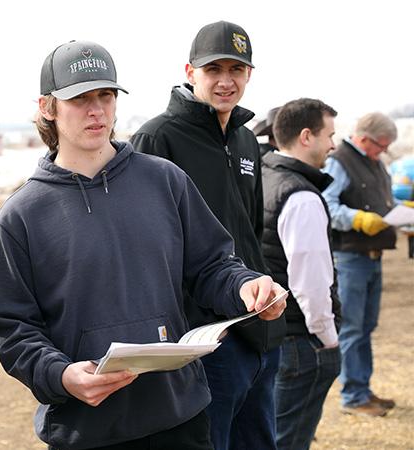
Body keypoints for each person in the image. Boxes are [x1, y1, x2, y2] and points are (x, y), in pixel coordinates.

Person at [0, 40, 286, 450]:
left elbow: (212, 266)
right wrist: (61, 375)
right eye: (80, 98)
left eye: (105, 95)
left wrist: (244, 286)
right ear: (47, 107)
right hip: (87, 429)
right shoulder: (21, 215)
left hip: (181, 417)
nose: (96, 110)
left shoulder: (165, 180)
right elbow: (13, 329)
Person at [130, 21, 286, 449]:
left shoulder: (246, 140)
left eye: (236, 70)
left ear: (249, 74)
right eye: (213, 69)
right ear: (190, 71)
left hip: (258, 331)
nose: (225, 81)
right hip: (206, 341)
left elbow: (251, 232)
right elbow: (144, 248)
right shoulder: (157, 138)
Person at [261, 98, 342, 449]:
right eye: (330, 135)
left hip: (274, 333)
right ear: (307, 136)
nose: (334, 145)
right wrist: (327, 338)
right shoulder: (301, 196)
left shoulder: (264, 176)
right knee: (287, 440)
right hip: (300, 339)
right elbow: (310, 282)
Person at [322, 112, 410, 417]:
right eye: (381, 145)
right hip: (350, 257)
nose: (383, 152)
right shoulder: (339, 162)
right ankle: (353, 395)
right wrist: (357, 219)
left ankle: (363, 388)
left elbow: (384, 202)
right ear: (364, 139)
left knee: (366, 327)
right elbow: (327, 204)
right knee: (351, 328)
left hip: (372, 256)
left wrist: (403, 213)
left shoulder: (376, 164)